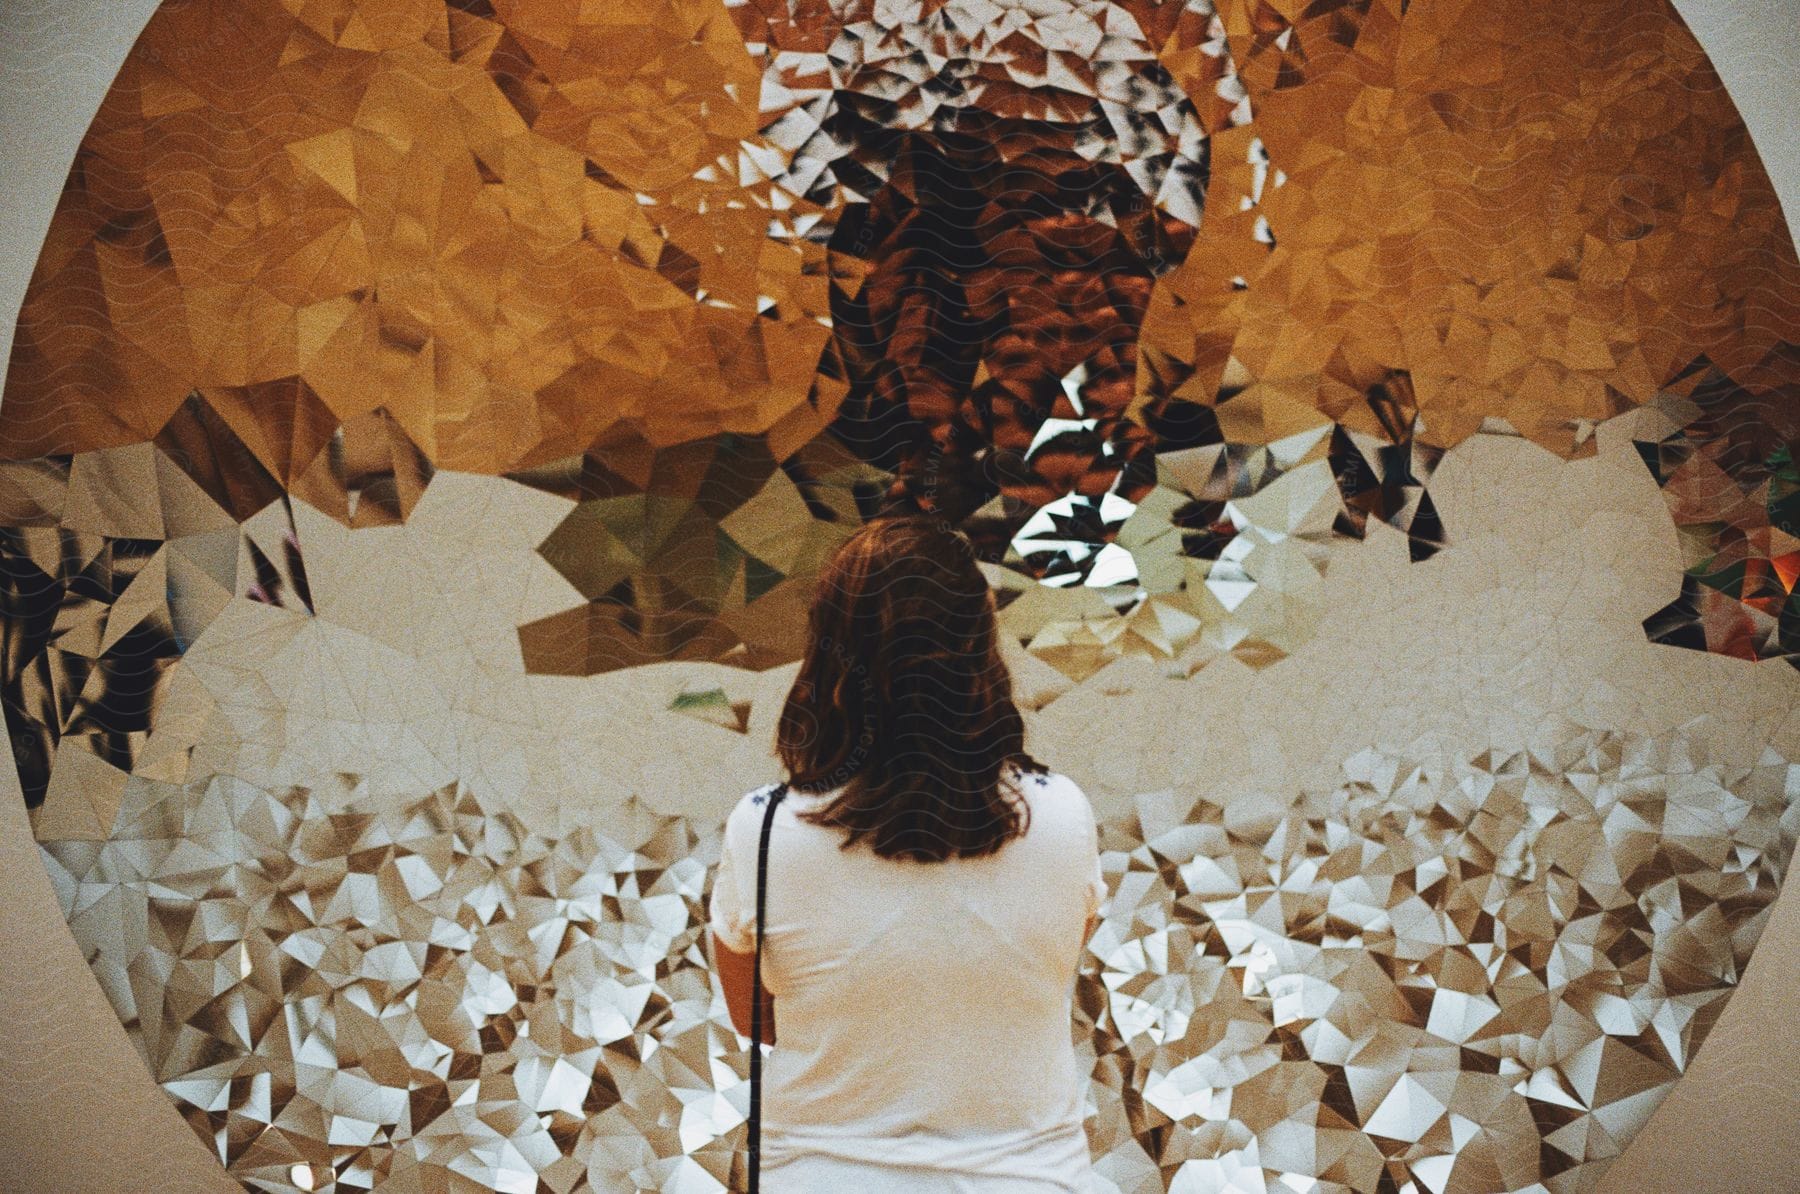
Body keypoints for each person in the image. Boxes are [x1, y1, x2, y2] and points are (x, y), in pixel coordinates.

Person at [707, 513, 1109, 1192]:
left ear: (829, 654)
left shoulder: (765, 829)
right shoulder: (1063, 814)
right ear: (980, 646)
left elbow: (758, 1017)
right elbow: (1054, 965)